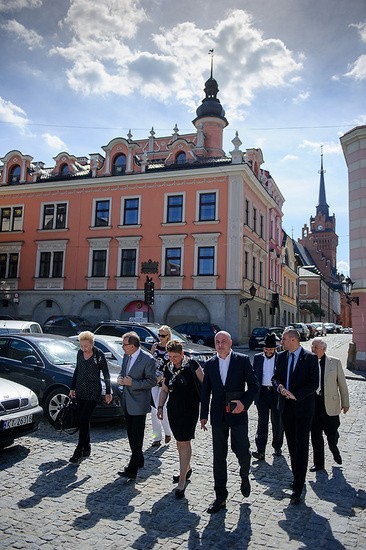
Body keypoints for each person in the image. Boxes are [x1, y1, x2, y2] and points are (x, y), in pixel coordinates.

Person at [200, 331, 259, 514]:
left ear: (231, 342)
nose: (220, 344)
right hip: (218, 415)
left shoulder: (241, 360)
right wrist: (203, 415)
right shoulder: (210, 364)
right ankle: (220, 497)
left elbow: (254, 386)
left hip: (238, 413)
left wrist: (244, 403)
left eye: (224, 341)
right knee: (219, 456)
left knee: (241, 450)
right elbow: (205, 392)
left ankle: (244, 474)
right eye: (217, 341)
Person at [272, 327, 319, 505]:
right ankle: (296, 476)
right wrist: (280, 388)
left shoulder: (310, 358)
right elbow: (275, 378)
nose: (281, 342)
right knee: (292, 445)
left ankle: (298, 487)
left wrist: (296, 394)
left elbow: (313, 384)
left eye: (283, 339)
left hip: (303, 408)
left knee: (302, 445)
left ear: (292, 340)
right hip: (286, 408)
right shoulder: (282, 357)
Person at [157, 340, 204, 499]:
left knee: (184, 441)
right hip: (174, 409)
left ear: (182, 354)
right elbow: (164, 389)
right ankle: (187, 468)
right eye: (170, 356)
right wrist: (160, 407)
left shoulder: (192, 365)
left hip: (190, 409)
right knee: (179, 441)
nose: (173, 359)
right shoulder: (168, 368)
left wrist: (205, 410)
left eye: (176, 356)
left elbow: (204, 385)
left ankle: (182, 481)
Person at [117, 331, 156, 481]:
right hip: (127, 400)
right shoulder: (127, 356)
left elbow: (151, 381)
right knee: (130, 434)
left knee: (137, 436)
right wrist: (121, 379)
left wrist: (132, 383)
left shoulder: (147, 359)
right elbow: (122, 372)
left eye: (124, 345)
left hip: (139, 403)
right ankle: (139, 459)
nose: (122, 347)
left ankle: (132, 469)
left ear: (132, 346)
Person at [69, 331, 112, 463]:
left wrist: (108, 392)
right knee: (83, 420)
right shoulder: (79, 353)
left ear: (92, 344)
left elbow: (106, 374)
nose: (84, 349)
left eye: (86, 346)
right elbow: (77, 370)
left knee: (84, 418)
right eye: (81, 346)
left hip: (93, 392)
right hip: (81, 390)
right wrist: (72, 388)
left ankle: (79, 449)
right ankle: (86, 447)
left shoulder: (98, 355)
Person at [309, 337, 350, 472]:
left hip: (330, 404)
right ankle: (319, 463)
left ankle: (333, 447)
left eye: (316, 347)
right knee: (315, 435)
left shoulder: (335, 362)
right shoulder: (307, 362)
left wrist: (345, 403)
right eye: (312, 347)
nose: (313, 350)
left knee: (332, 433)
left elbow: (342, 385)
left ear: (324, 349)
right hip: (314, 404)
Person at [252, 332, 284, 460]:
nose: (269, 351)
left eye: (271, 349)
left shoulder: (281, 358)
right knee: (262, 422)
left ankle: (277, 446)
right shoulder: (258, 358)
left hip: (276, 393)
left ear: (275, 349)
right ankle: (260, 450)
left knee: (277, 422)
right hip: (263, 393)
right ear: (263, 348)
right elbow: (255, 376)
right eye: (267, 349)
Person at [150, 325, 172, 447]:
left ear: (168, 336)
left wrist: (164, 378)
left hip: (166, 383)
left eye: (163, 335)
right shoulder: (154, 346)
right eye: (159, 335)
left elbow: (174, 365)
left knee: (162, 408)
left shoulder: (171, 347)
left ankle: (168, 432)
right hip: (154, 381)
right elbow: (150, 362)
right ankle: (156, 437)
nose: (160, 337)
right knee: (154, 411)